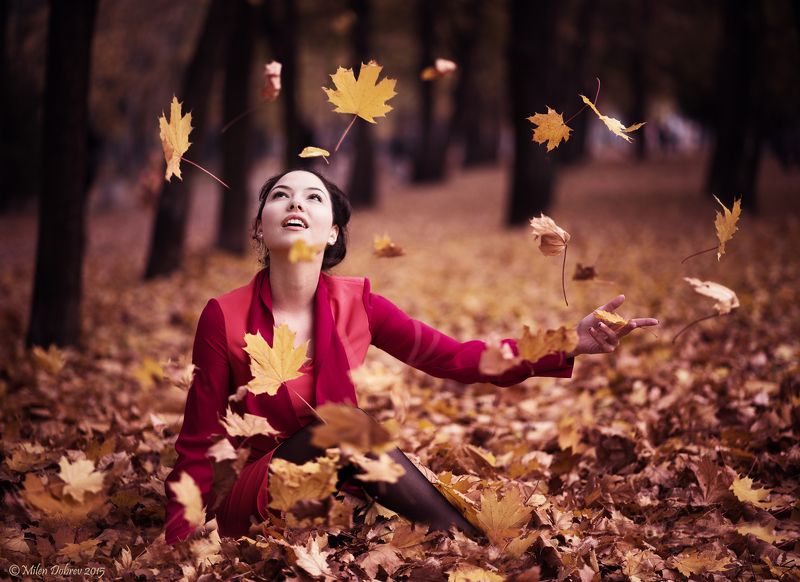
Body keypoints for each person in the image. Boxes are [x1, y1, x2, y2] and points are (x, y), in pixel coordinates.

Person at [163, 169, 659, 544]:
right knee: (347, 426)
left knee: (349, 435)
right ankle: (471, 546)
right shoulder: (223, 316)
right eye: (280, 195)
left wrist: (566, 342)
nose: (295, 202)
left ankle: (464, 549)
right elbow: (197, 442)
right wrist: (181, 543)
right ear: (259, 228)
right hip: (254, 491)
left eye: (313, 197)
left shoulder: (360, 305)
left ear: (332, 232)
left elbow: (459, 358)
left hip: (335, 487)